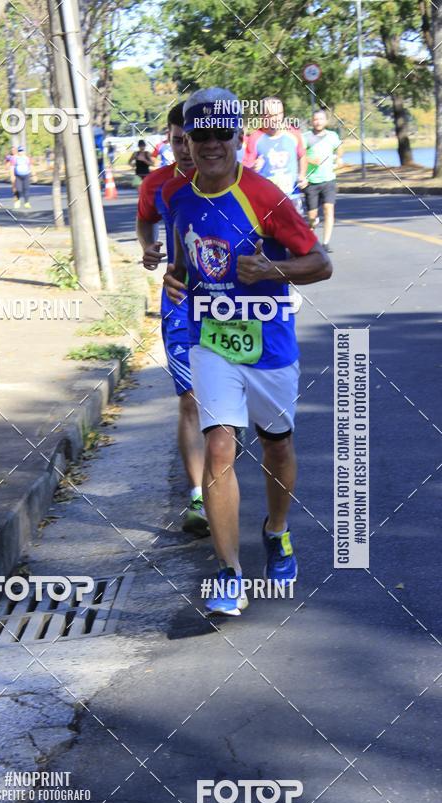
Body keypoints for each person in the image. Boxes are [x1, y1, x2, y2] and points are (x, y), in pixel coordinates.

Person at [163, 87, 332, 615]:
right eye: (201, 136)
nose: (211, 145)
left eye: (222, 135)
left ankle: (276, 531)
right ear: (186, 140)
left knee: (276, 445)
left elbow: (321, 263)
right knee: (219, 447)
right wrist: (174, 280)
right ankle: (229, 571)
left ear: (239, 137)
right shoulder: (179, 197)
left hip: (268, 339)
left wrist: (272, 271)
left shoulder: (267, 198)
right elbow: (182, 261)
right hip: (211, 339)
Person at [136, 101, 207, 536]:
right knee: (190, 399)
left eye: (191, 140)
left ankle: (220, 480)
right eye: (177, 140)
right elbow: (145, 223)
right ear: (170, 139)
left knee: (222, 406)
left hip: (227, 306)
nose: (184, 149)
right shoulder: (158, 184)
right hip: (179, 302)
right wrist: (147, 248)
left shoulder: (230, 182)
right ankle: (199, 495)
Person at [243, 97, 307, 215]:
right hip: (266, 200)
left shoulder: (293, 133)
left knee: (294, 232)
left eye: (279, 114)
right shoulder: (255, 138)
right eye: (271, 115)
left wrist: (302, 175)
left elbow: (302, 155)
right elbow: (245, 171)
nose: (276, 119)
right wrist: (253, 168)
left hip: (292, 196)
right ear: (262, 116)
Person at [303, 108, 343, 252]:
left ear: (326, 121)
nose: (318, 122)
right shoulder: (306, 137)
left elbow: (339, 148)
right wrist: (310, 159)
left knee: (328, 208)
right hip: (312, 181)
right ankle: (312, 241)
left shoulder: (332, 136)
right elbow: (300, 156)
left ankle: (326, 243)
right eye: (315, 119)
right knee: (312, 217)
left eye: (320, 119)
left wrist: (339, 158)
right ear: (312, 121)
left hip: (329, 180)